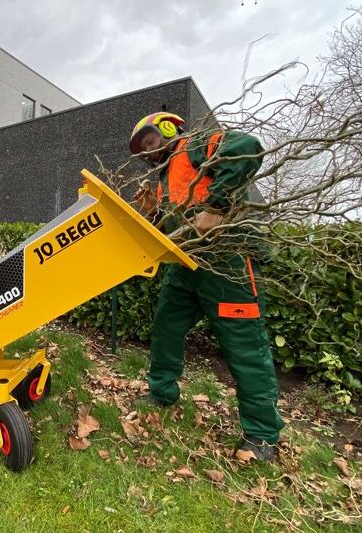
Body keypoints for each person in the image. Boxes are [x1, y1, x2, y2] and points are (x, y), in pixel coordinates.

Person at [129, 112, 284, 461]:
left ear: (168, 130)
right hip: (186, 266)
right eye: (143, 151)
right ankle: (162, 392)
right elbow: (173, 226)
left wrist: (217, 206)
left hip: (226, 265)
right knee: (166, 328)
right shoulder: (161, 180)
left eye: (151, 143)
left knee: (244, 346)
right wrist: (152, 214)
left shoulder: (195, 146)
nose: (148, 153)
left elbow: (247, 147)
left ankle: (261, 435)